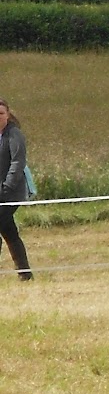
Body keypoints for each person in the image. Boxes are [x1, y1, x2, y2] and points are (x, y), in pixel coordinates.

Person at [0, 99, 31, 282]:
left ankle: (24, 273)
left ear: (8, 115)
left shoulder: (14, 135)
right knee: (9, 232)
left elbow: (18, 162)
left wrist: (7, 186)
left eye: (1, 114)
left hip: (11, 194)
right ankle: (25, 274)